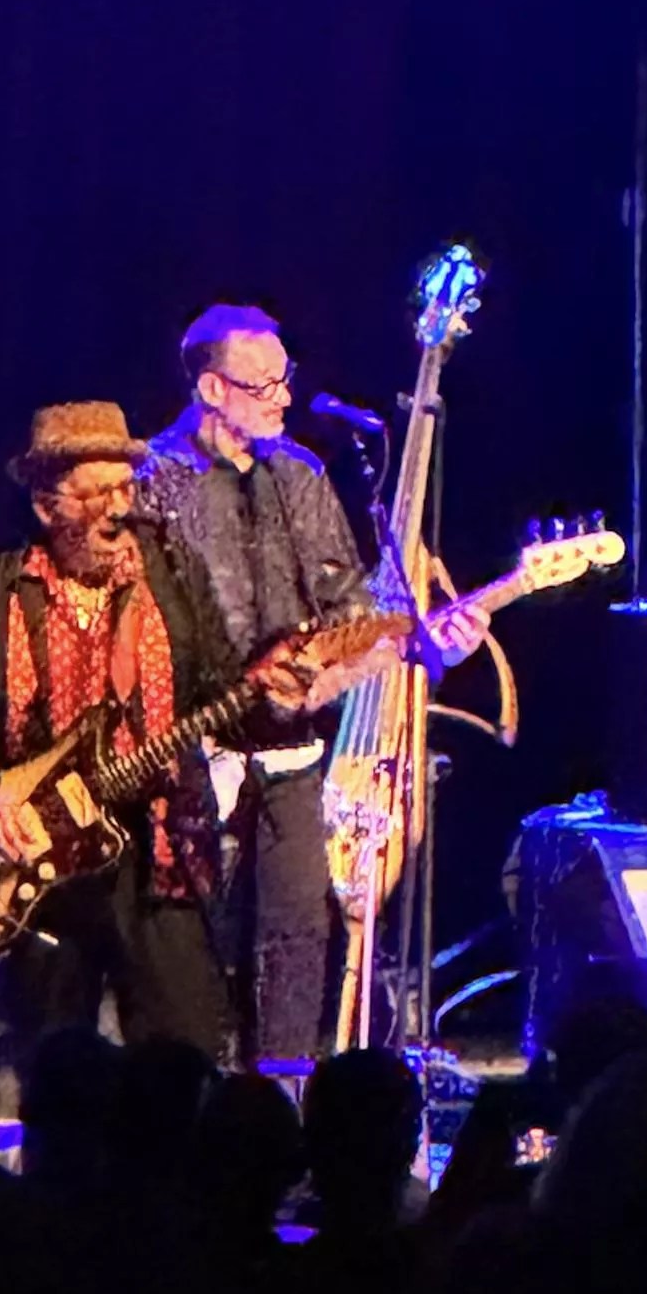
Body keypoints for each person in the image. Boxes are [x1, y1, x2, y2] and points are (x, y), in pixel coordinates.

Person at [0, 402, 307, 1063]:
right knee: (53, 1073)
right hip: (34, 867)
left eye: (125, 490)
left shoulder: (173, 574)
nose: (117, 510)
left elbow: (226, 699)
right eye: (96, 494)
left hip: (161, 861)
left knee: (182, 1067)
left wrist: (275, 697)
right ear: (48, 508)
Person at [138, 305, 486, 1063]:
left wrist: (407, 652)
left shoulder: (301, 477)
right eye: (262, 385)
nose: (283, 398)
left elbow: (353, 622)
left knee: (297, 941)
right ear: (210, 388)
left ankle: (286, 1117)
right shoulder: (154, 483)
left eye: (284, 381)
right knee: (195, 957)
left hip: (291, 765)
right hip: (186, 768)